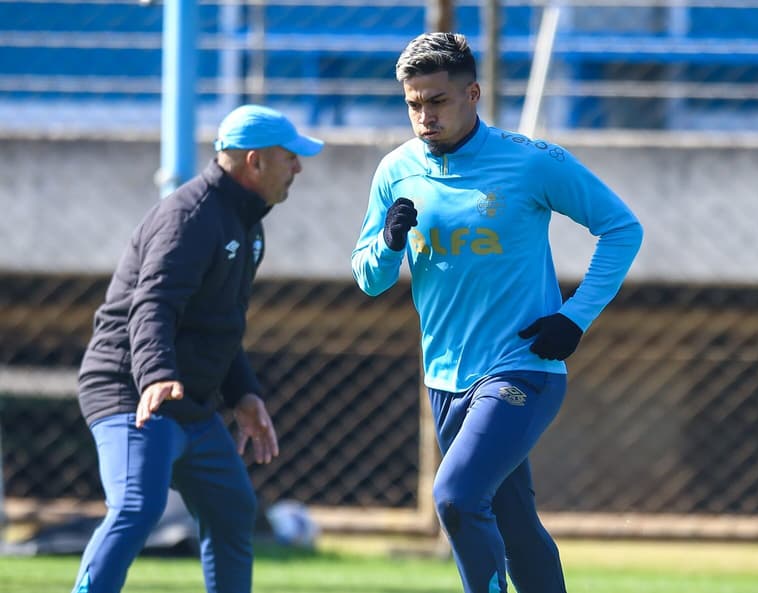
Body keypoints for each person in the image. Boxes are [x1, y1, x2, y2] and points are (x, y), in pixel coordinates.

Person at [351, 32, 644, 593]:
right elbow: (370, 280)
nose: (424, 116)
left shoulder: (531, 162)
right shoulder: (396, 171)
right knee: (513, 523)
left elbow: (622, 227)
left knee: (456, 498)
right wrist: (388, 242)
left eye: (437, 101)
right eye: (414, 103)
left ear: (473, 94)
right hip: (443, 378)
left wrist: (575, 316)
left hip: (522, 367)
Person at [72, 104, 324, 593]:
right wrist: (155, 377)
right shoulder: (189, 216)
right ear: (255, 161)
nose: (298, 167)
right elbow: (153, 305)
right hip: (133, 392)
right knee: (136, 506)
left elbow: (221, 325)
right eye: (289, 156)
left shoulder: (247, 224)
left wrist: (244, 395)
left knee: (232, 507)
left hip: (186, 400)